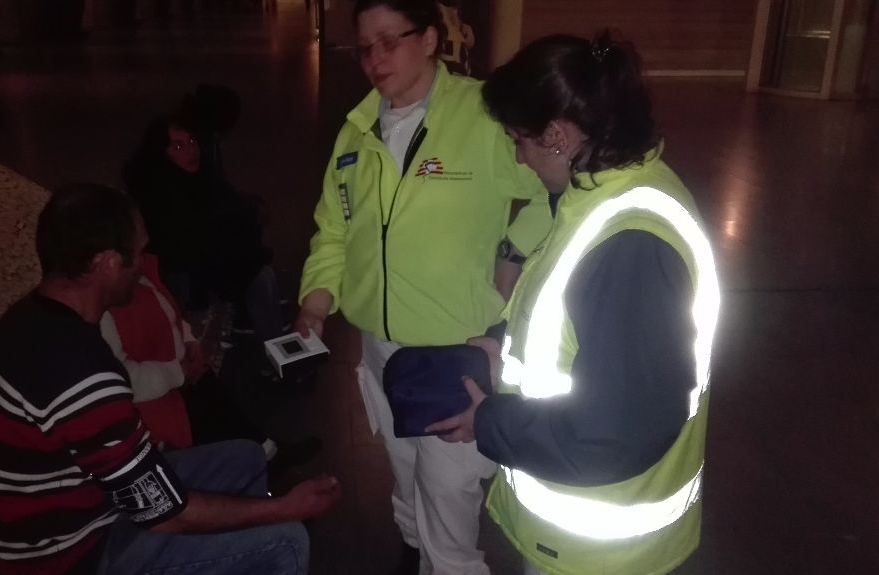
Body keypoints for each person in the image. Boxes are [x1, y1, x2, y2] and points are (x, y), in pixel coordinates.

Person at [425, 32, 722, 575]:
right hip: (580, 531)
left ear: (557, 136)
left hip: (603, 548)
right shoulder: (606, 196)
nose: (520, 157)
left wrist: (488, 422)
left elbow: (612, 433)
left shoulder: (630, 244)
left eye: (519, 140)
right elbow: (571, 321)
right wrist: (501, 344)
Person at [296, 1, 551, 572]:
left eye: (390, 41)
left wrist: (512, 249)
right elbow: (333, 229)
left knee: (447, 498)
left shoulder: (483, 115)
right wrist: (315, 302)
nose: (375, 58)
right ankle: (411, 548)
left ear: (431, 39)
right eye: (365, 47)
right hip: (379, 347)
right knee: (405, 467)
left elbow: (552, 188)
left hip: (453, 351)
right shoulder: (357, 131)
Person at [0, 183, 340, 575]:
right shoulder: (83, 375)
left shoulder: (24, 319)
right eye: (139, 252)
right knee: (289, 541)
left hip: (86, 505)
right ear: (107, 263)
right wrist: (284, 509)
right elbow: (165, 513)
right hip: (69, 558)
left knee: (245, 456)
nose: (144, 264)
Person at [99, 252, 321, 463]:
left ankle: (267, 451)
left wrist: (188, 340)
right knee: (218, 442)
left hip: (181, 375)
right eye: (137, 251)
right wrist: (179, 372)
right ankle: (262, 459)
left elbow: (169, 313)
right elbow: (122, 379)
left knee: (227, 411)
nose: (143, 258)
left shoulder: (140, 278)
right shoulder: (103, 312)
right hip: (161, 399)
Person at [123, 113, 283, 343]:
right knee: (258, 275)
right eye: (178, 146)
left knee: (264, 274)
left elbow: (226, 204)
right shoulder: (159, 190)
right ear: (162, 152)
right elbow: (187, 242)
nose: (190, 150)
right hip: (182, 270)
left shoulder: (202, 176)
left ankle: (274, 346)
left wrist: (250, 208)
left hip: (210, 259)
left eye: (192, 141)